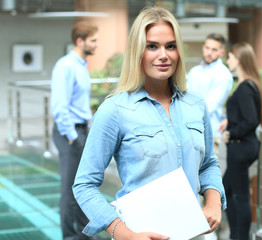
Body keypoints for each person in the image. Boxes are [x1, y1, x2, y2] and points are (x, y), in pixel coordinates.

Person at [73, 6, 226, 240]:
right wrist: (123, 233)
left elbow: (208, 164)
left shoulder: (196, 104)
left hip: (194, 233)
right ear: (137, 51)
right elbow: (84, 185)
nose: (163, 55)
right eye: (152, 46)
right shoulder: (114, 110)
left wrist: (214, 202)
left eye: (171, 46)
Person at [51, 21, 98, 240]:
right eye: (93, 41)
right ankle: (69, 236)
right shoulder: (66, 66)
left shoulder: (81, 66)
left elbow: (79, 103)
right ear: (80, 41)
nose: (96, 45)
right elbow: (60, 106)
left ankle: (84, 234)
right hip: (70, 134)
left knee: (83, 186)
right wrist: (72, 137)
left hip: (81, 131)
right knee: (69, 191)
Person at [219, 42, 262, 240]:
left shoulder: (246, 86)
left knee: (240, 195)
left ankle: (241, 237)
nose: (227, 60)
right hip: (245, 146)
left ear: (238, 59)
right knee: (227, 189)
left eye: (229, 57)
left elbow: (251, 119)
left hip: (241, 147)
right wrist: (230, 120)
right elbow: (247, 114)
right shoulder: (248, 84)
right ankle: (236, 235)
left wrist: (232, 133)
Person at [187, 33, 233, 154]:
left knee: (206, 172)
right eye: (207, 48)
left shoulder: (223, 75)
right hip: (188, 131)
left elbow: (209, 106)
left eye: (214, 50)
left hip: (209, 133)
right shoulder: (194, 71)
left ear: (222, 53)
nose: (209, 52)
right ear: (203, 48)